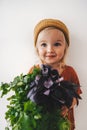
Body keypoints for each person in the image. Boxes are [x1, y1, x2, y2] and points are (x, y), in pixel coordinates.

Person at [29, 18, 82, 130]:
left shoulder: (69, 71)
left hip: (65, 125)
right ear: (37, 49)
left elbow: (77, 96)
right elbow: (28, 97)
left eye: (57, 44)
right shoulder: (34, 71)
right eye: (44, 44)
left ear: (65, 48)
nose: (50, 49)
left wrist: (68, 105)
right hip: (41, 125)